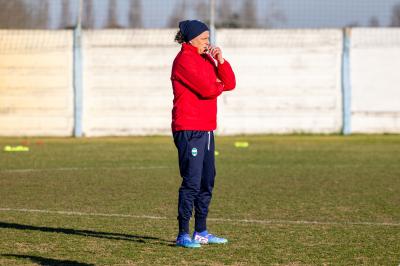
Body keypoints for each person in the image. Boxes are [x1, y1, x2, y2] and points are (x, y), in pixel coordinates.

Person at [170, 20, 236, 248]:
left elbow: (230, 83)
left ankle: (201, 231)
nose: (208, 43)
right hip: (189, 129)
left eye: (208, 38)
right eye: (204, 39)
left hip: (206, 129)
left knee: (207, 181)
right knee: (192, 182)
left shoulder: (206, 58)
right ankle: (182, 235)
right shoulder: (184, 60)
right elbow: (209, 90)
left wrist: (220, 61)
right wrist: (216, 84)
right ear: (190, 39)